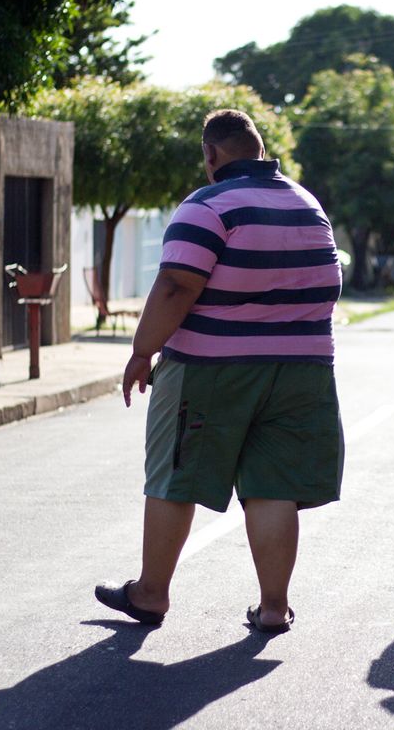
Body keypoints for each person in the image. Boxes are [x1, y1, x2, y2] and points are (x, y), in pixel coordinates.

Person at [96, 109, 344, 633]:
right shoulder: (307, 204)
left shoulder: (207, 205)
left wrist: (142, 351)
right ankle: (273, 607)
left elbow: (175, 285)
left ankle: (151, 594)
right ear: (259, 149)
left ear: (211, 154)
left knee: (176, 475)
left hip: (210, 368)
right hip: (303, 370)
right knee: (275, 485)